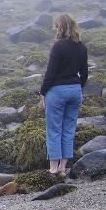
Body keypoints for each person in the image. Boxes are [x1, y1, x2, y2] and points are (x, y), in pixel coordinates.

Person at [39, 13, 88, 177]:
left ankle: (53, 168)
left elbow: (50, 73)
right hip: (75, 90)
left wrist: (43, 92)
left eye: (57, 26)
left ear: (61, 27)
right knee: (68, 129)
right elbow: (85, 73)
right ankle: (62, 168)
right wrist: (77, 86)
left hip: (57, 91)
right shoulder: (81, 46)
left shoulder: (58, 46)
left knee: (54, 130)